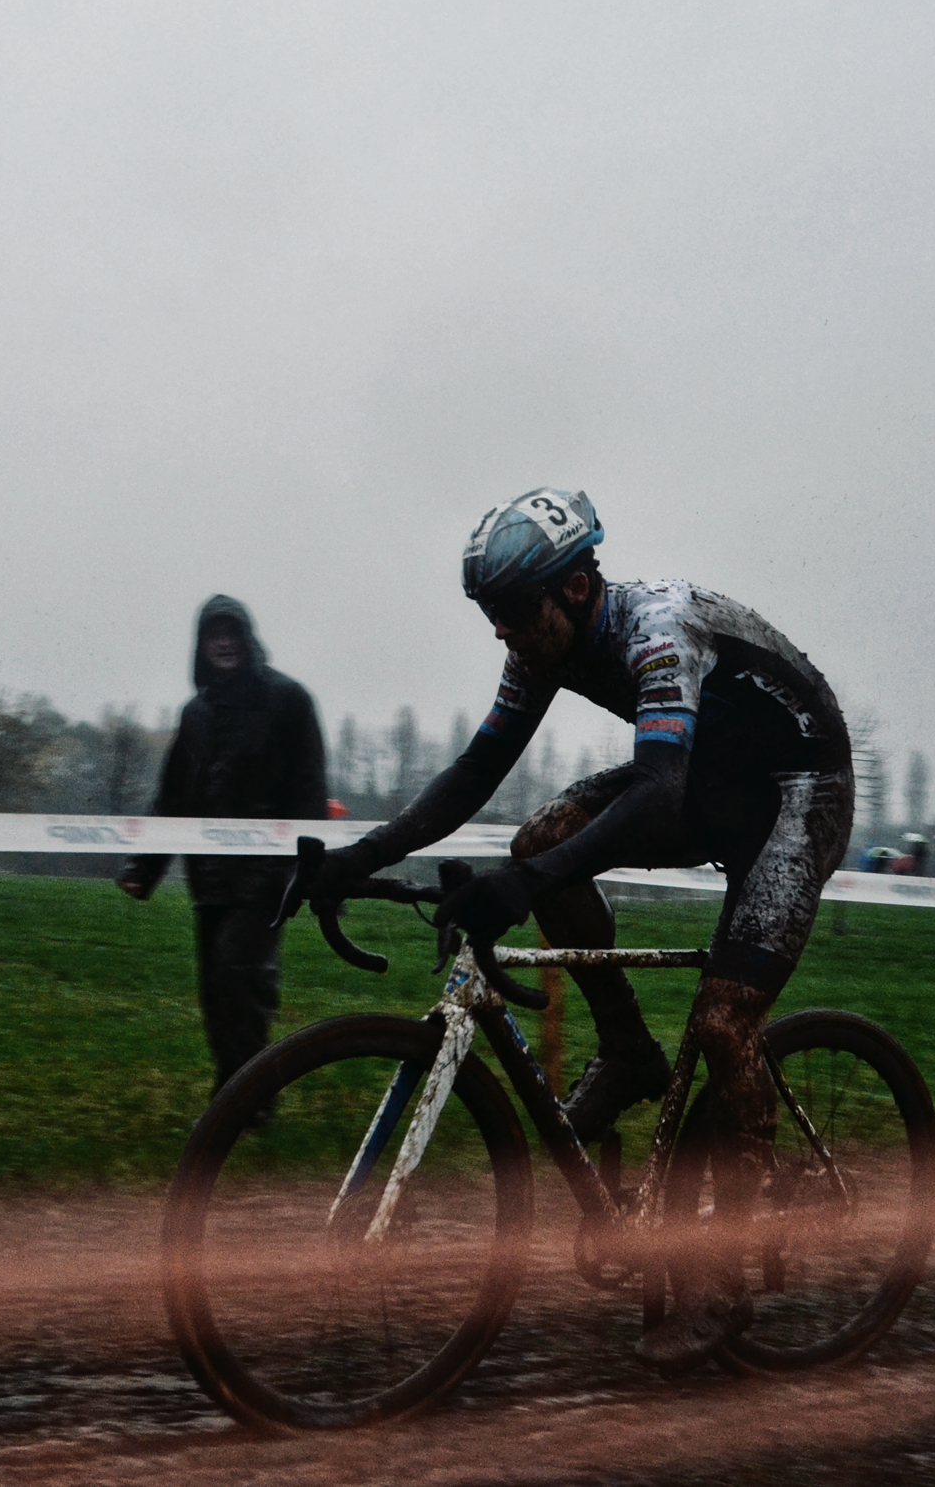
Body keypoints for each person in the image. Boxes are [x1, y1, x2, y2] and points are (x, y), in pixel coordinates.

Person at [314, 488, 852, 1375]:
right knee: (542, 839)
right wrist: (359, 854)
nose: (501, 631)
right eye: (488, 614)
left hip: (799, 790)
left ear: (573, 587)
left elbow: (658, 793)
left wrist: (525, 888)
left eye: (511, 610)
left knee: (726, 1022)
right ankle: (629, 1048)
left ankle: (724, 1273)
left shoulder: (659, 628)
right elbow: (478, 768)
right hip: (712, 781)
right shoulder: (543, 643)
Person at [117, 597, 328, 1113]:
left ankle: (243, 1101)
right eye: (214, 634)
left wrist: (313, 872)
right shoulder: (196, 713)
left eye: (233, 632)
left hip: (266, 877)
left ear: (249, 638)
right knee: (217, 992)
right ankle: (244, 1093)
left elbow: (309, 791)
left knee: (239, 978)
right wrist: (144, 867)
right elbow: (173, 796)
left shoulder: (289, 700)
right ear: (201, 645)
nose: (225, 643)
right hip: (208, 879)